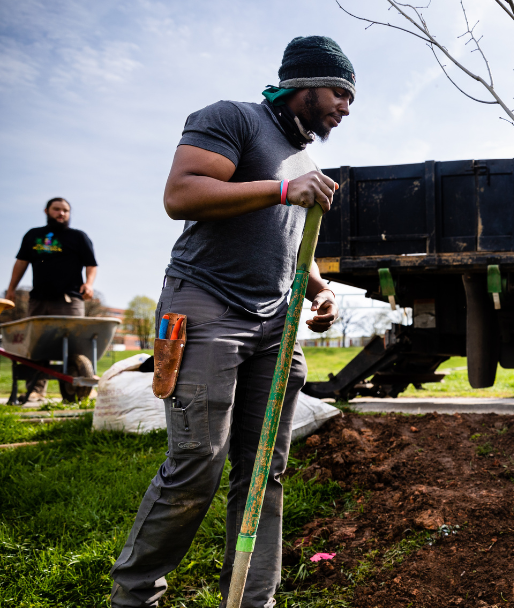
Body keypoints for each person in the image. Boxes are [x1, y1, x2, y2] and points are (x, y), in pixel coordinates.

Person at [110, 36, 354, 607]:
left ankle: (252, 598)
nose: (346, 106)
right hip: (206, 303)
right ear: (305, 84)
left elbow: (289, 240)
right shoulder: (232, 119)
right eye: (340, 92)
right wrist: (282, 189)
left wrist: (320, 290)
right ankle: (136, 595)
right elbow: (182, 193)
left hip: (275, 322)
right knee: (198, 460)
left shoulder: (302, 159)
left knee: (265, 467)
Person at [7, 197, 98, 400]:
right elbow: (21, 263)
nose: (61, 213)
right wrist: (11, 288)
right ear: (47, 211)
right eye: (57, 209)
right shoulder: (34, 235)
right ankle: (36, 392)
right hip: (38, 300)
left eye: (65, 210)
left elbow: (91, 264)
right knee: (37, 347)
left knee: (74, 345)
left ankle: (75, 390)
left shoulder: (78, 237)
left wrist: (89, 283)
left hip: (69, 300)